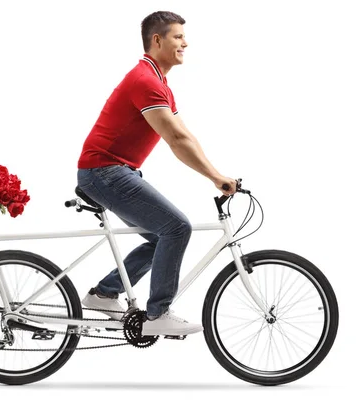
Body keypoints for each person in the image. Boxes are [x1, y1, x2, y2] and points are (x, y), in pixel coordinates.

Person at [76, 11, 237, 336]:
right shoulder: (145, 81)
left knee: (160, 238)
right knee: (176, 229)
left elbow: (185, 136)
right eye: (178, 37)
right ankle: (158, 314)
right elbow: (176, 140)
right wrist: (215, 177)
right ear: (157, 40)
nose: (185, 43)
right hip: (103, 170)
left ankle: (104, 295)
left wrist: (216, 172)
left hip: (114, 170)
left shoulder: (159, 83)